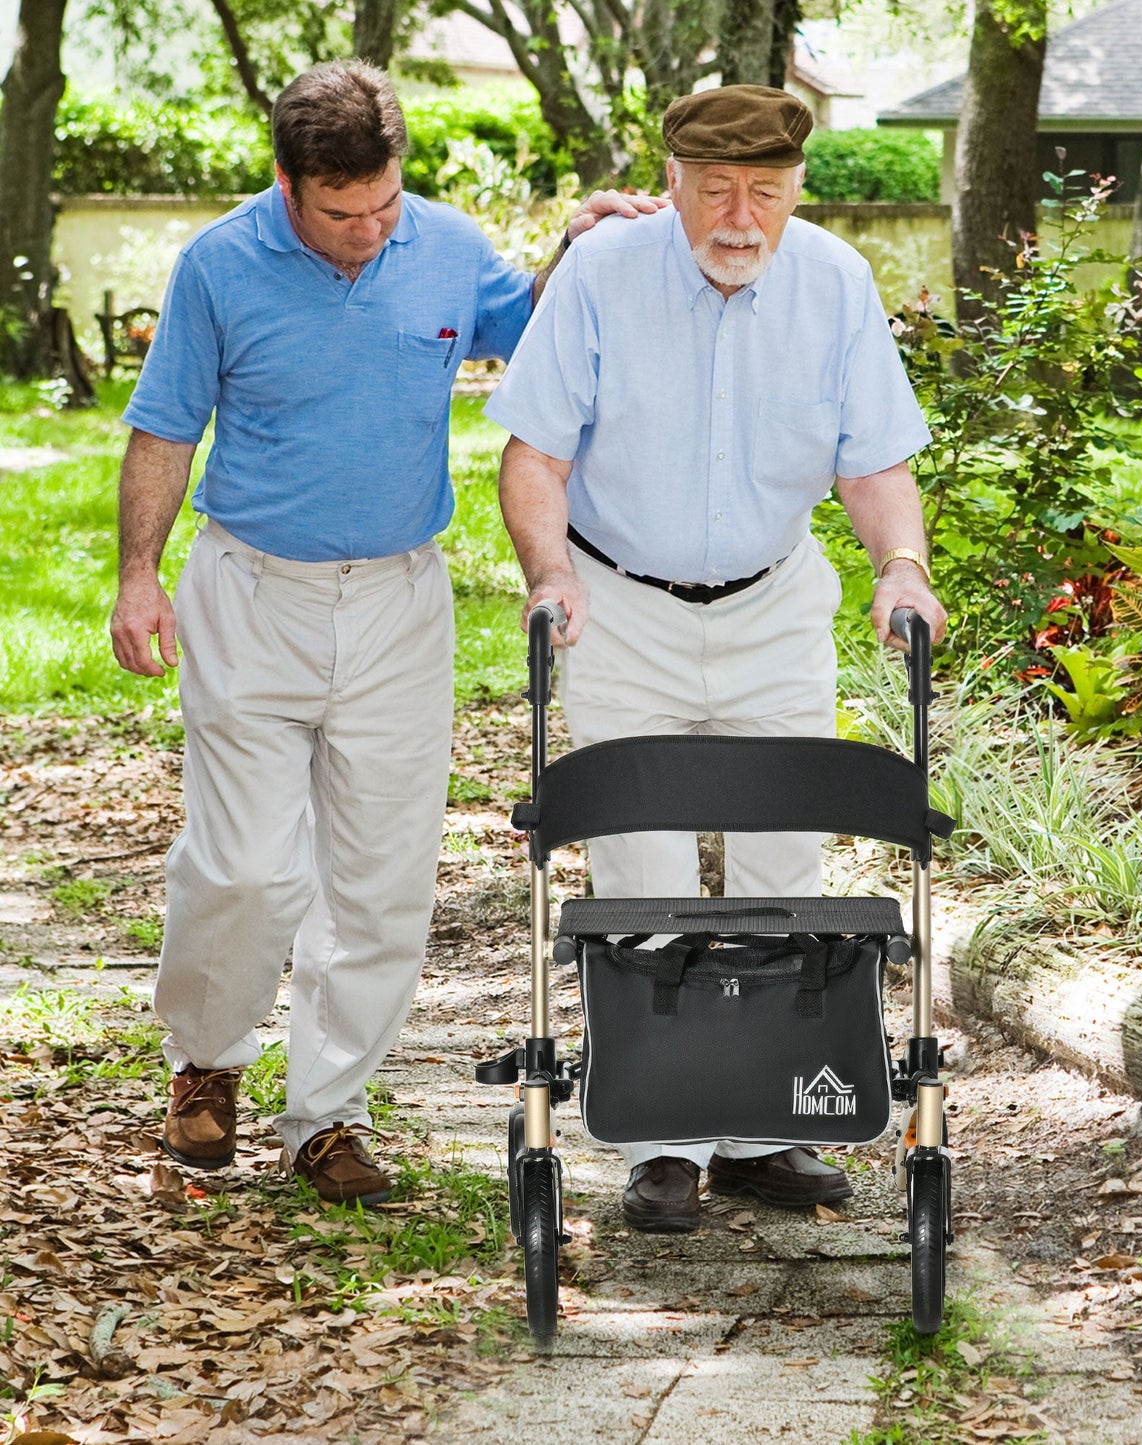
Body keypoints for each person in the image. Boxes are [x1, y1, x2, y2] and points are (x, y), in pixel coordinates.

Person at [108, 58, 661, 1207]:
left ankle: (328, 1113)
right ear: (287, 183)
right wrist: (139, 575)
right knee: (246, 866)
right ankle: (205, 1059)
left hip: (401, 599)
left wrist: (577, 245)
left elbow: (526, 323)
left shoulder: (444, 243)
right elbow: (165, 428)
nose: (367, 232)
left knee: (381, 877)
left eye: (383, 206)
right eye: (339, 212)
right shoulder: (219, 262)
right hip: (252, 591)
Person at [485, 84, 948, 1233]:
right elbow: (533, 457)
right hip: (619, 604)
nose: (741, 219)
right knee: (638, 873)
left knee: (782, 864)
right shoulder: (600, 276)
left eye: (766, 192)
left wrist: (900, 565)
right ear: (673, 183)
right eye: (717, 190)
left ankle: (767, 1125)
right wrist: (548, 574)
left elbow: (871, 463)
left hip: (771, 604)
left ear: (797, 189)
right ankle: (663, 1137)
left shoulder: (834, 281)